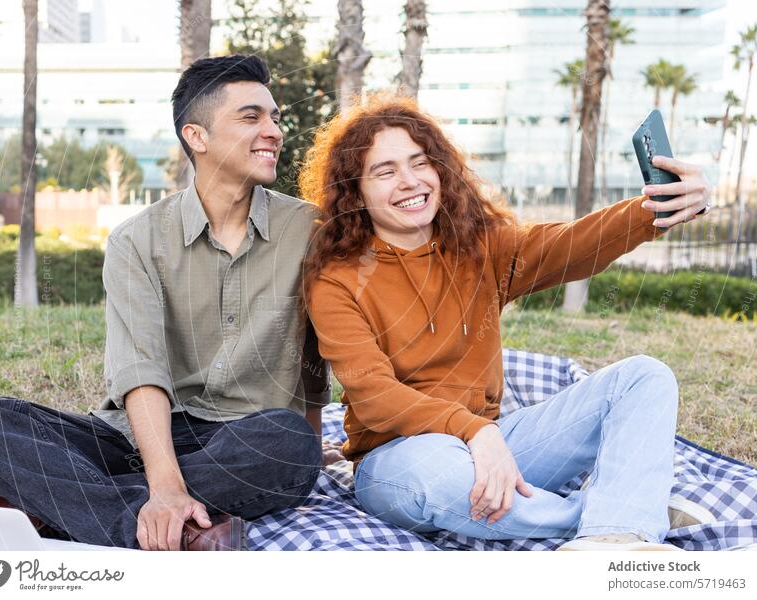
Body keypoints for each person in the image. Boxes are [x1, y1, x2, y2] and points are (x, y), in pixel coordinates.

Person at [300, 96, 712, 550]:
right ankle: (616, 516)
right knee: (434, 471)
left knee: (644, 377)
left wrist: (656, 209)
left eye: (420, 162)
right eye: (385, 171)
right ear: (355, 191)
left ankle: (614, 528)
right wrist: (473, 431)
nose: (410, 181)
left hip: (501, 446)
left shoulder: (479, 247)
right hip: (401, 459)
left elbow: (570, 245)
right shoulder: (336, 279)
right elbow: (376, 398)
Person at [0, 54, 331, 551]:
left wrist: (310, 442)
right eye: (251, 117)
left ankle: (57, 507)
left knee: (288, 447)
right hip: (130, 438)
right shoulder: (136, 240)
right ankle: (158, 523)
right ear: (196, 137)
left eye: (275, 117)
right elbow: (140, 368)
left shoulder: (309, 231)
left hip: (243, 437)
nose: (273, 130)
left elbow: (313, 357)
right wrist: (163, 487)